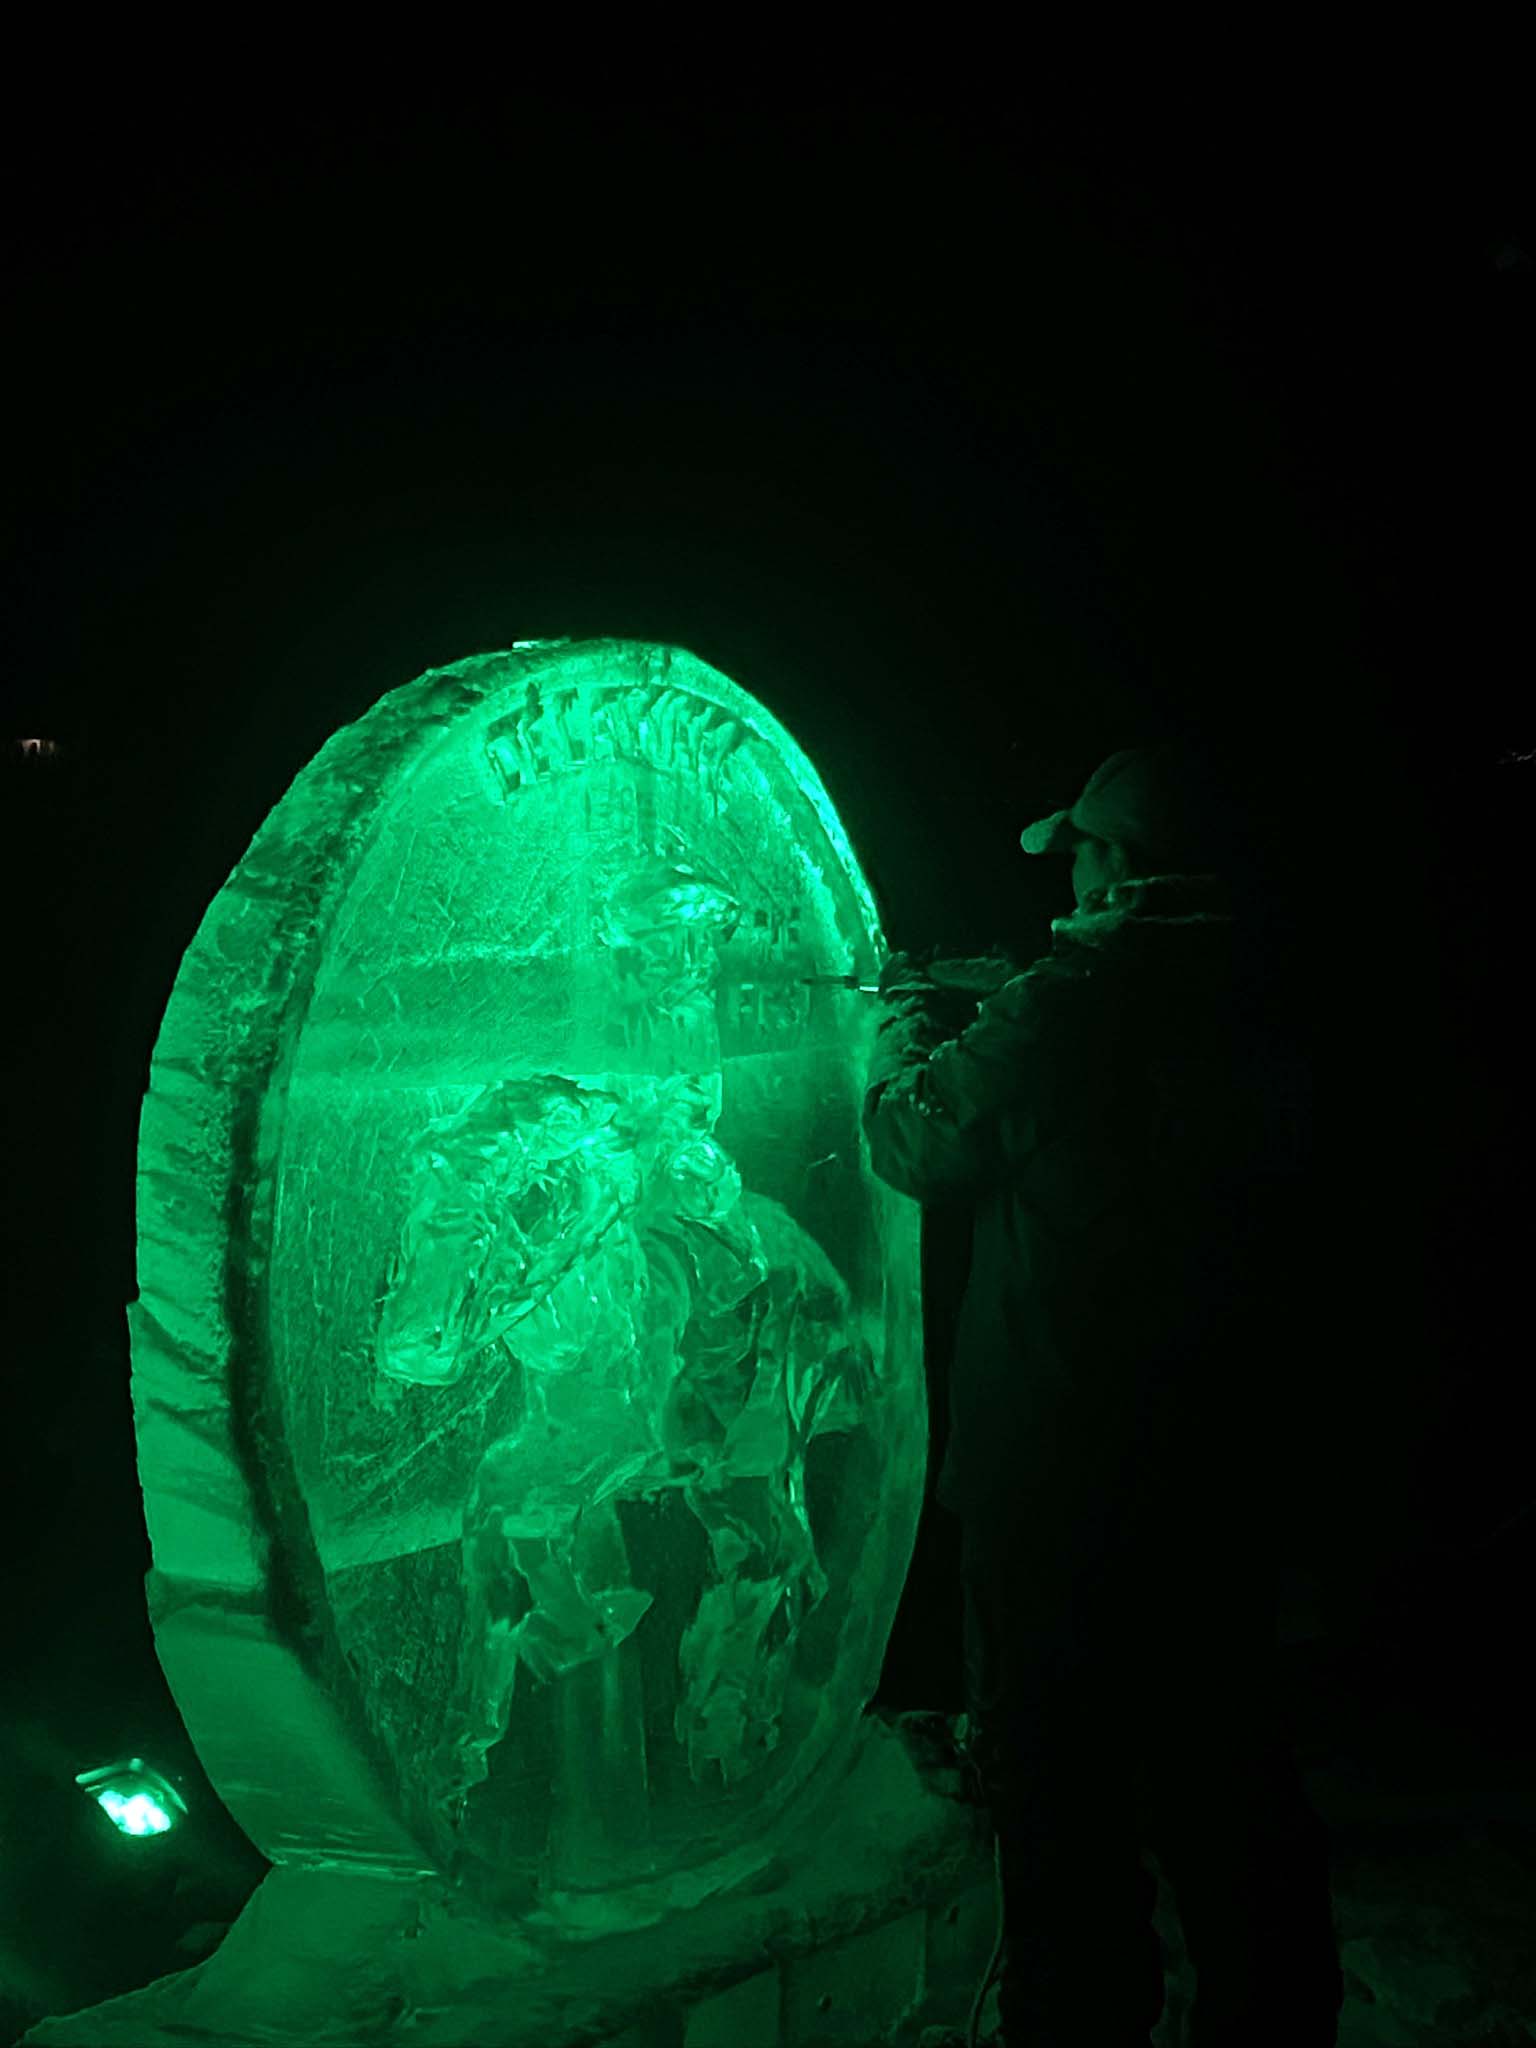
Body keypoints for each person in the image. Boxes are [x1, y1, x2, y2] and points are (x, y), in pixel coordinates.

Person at [861, 740, 1346, 2048]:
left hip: (1057, 1484)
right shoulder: (1274, 996)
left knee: (1058, 1805)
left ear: (1119, 863)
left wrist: (900, 1040)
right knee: (1227, 1784)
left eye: (1077, 853)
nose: (1064, 880)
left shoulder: (1069, 1006)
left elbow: (920, 1137)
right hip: (1220, 1474)